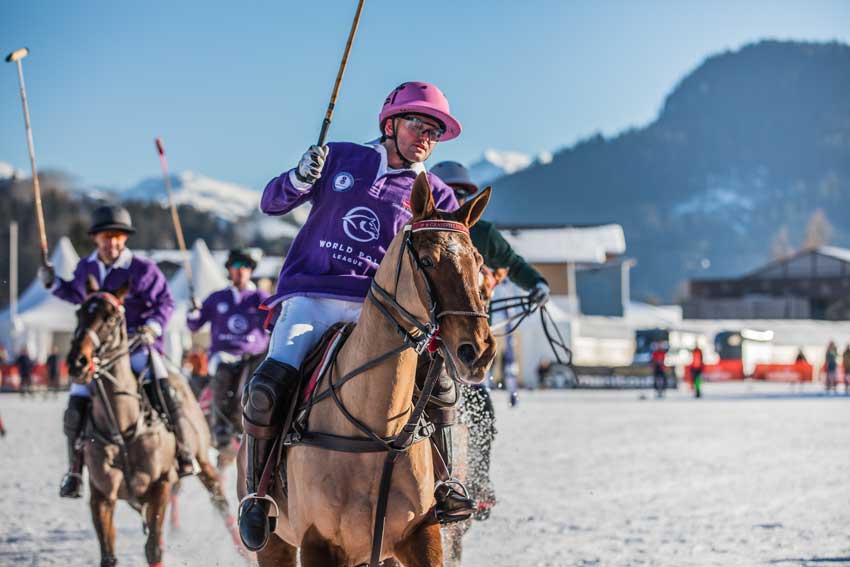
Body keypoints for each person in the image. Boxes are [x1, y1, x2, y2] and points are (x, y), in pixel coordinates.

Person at [238, 81, 466, 550]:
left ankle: (444, 487)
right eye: (418, 124)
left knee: (440, 388)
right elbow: (271, 202)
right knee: (265, 388)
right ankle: (258, 495)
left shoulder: (436, 193)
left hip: (382, 313)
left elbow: (448, 259)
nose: (426, 135)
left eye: (435, 131)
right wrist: (300, 177)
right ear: (390, 124)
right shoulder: (340, 158)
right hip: (313, 299)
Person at [39, 204, 191, 499]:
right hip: (99, 350)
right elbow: (76, 295)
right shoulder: (87, 267)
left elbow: (166, 303)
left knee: (164, 388)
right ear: (96, 239)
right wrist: (53, 283)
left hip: (137, 344)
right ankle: (74, 471)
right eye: (106, 236)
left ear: (125, 239)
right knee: (75, 405)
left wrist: (152, 327)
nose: (112, 242)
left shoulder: (143, 269)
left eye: (118, 236)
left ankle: (183, 451)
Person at [431, 160, 550, 516]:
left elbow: (514, 263)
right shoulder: (419, 228)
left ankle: (478, 482)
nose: (459, 200)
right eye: (452, 193)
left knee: (480, 408)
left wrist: (538, 284)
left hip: (465, 341)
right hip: (423, 334)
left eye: (465, 194)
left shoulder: (482, 234)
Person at [187, 248, 269, 450]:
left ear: (251, 271)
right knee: (222, 377)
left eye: (245, 267)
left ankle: (258, 428)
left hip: (253, 355)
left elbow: (275, 322)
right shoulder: (218, 297)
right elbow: (194, 325)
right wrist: (194, 313)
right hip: (222, 354)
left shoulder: (260, 297)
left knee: (252, 385)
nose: (240, 271)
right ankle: (221, 428)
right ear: (229, 270)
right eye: (236, 267)